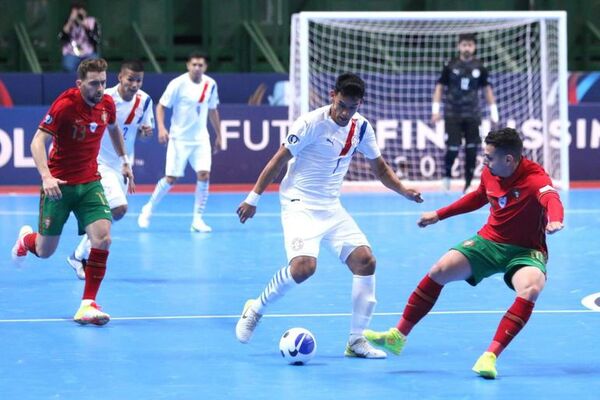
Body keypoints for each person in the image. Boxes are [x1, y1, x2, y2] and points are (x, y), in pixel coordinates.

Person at [235, 73, 423, 358]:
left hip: (331, 206)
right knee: (303, 269)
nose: (346, 113)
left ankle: (356, 340)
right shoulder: (311, 123)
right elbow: (279, 159)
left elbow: (380, 168)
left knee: (365, 261)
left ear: (360, 103)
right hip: (299, 202)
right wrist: (253, 198)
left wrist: (403, 191)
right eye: (342, 105)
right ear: (332, 95)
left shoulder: (361, 128)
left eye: (353, 107)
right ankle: (256, 308)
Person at [364, 127, 564, 378]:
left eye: (489, 157)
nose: (484, 161)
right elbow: (478, 197)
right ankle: (397, 336)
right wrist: (439, 215)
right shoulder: (489, 173)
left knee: (531, 287)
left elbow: (551, 199)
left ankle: (489, 357)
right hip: (489, 242)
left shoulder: (535, 178)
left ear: (509, 160)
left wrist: (555, 220)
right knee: (439, 270)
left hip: (526, 251)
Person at [11, 58, 133, 326]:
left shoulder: (107, 105)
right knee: (45, 251)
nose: (100, 88)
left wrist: (124, 160)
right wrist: (46, 176)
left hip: (90, 182)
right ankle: (25, 240)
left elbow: (113, 129)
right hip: (60, 185)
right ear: (80, 84)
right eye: (94, 83)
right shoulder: (65, 105)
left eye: (103, 82)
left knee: (103, 238)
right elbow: (37, 141)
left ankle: (87, 304)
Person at [67, 60, 154, 279]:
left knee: (113, 213)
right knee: (119, 208)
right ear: (120, 78)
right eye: (130, 79)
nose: (134, 84)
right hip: (99, 162)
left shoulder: (145, 101)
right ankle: (81, 253)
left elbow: (140, 136)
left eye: (139, 80)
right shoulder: (103, 97)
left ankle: (78, 255)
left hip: (124, 164)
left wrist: (145, 133)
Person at [138, 51, 222, 232]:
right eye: (194, 64)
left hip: (201, 140)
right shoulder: (177, 84)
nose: (197, 68)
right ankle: (149, 208)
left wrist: (220, 135)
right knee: (171, 179)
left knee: (204, 175)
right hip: (179, 139)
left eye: (201, 65)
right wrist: (161, 128)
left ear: (205, 67)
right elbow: (160, 106)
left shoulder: (211, 85)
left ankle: (197, 219)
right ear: (188, 65)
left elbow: (213, 110)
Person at [432, 33, 499, 193]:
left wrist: (494, 111)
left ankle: (468, 185)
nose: (467, 48)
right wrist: (435, 110)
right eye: (464, 45)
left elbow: (487, 89)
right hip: (452, 113)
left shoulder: (480, 66)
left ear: (474, 47)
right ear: (459, 46)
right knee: (453, 148)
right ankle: (447, 177)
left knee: (472, 149)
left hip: (473, 113)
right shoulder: (450, 65)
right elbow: (440, 87)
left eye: (470, 45)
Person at [58, 3, 101, 73]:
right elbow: (62, 37)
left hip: (88, 53)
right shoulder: (68, 22)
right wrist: (71, 21)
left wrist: (85, 25)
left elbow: (96, 39)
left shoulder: (92, 21)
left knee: (94, 66)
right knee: (68, 66)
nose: (78, 14)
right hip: (71, 52)